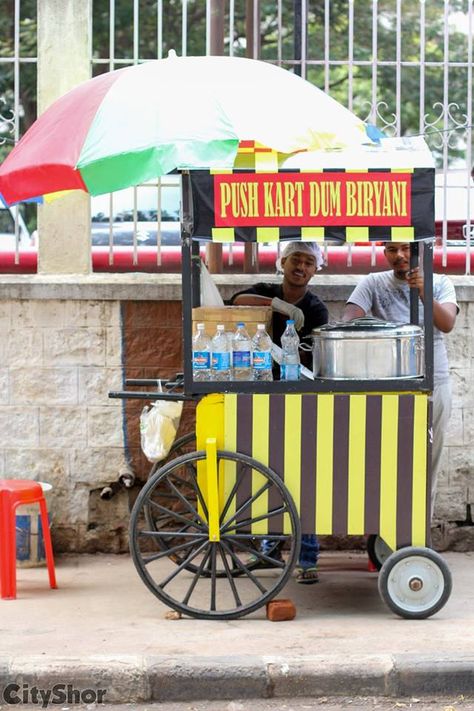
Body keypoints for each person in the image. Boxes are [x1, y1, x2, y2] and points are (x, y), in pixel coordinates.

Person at [230, 241, 329, 583]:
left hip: (300, 395)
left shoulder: (317, 309)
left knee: (305, 474)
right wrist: (278, 305)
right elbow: (236, 302)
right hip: (259, 392)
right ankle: (268, 552)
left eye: (309, 263)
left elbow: (316, 355)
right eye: (295, 260)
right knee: (265, 471)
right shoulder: (265, 291)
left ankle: (307, 558)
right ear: (282, 263)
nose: (301, 267)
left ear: (316, 270)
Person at [342, 241, 458, 515]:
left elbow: (447, 323)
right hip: (387, 383)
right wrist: (372, 329)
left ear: (418, 250)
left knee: (428, 461)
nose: (400, 256)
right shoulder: (373, 282)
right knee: (385, 461)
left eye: (406, 249)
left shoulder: (440, 283)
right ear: (384, 253)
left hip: (434, 382)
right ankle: (384, 533)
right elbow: (348, 318)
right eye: (392, 250)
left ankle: (421, 536)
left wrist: (423, 291)